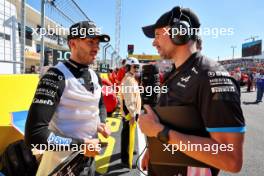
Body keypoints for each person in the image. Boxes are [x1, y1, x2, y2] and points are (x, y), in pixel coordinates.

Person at [138, 6, 245, 176]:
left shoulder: (211, 77)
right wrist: (154, 151)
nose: (153, 42)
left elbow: (230, 158)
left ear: (179, 32)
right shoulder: (176, 73)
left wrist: (161, 133)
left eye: (158, 35)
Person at [25, 21, 111, 176]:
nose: (96, 48)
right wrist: (81, 145)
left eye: (97, 43)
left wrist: (102, 123)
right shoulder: (55, 76)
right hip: (61, 166)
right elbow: (35, 135)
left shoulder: (95, 76)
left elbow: (100, 104)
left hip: (88, 160)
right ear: (72, 43)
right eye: (90, 42)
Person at [120, 57, 142, 168]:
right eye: (135, 66)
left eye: (138, 66)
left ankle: (128, 152)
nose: (137, 68)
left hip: (131, 112)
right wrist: (133, 114)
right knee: (128, 135)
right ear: (128, 67)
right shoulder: (129, 80)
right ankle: (126, 160)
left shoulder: (131, 78)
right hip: (130, 113)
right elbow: (129, 99)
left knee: (127, 134)